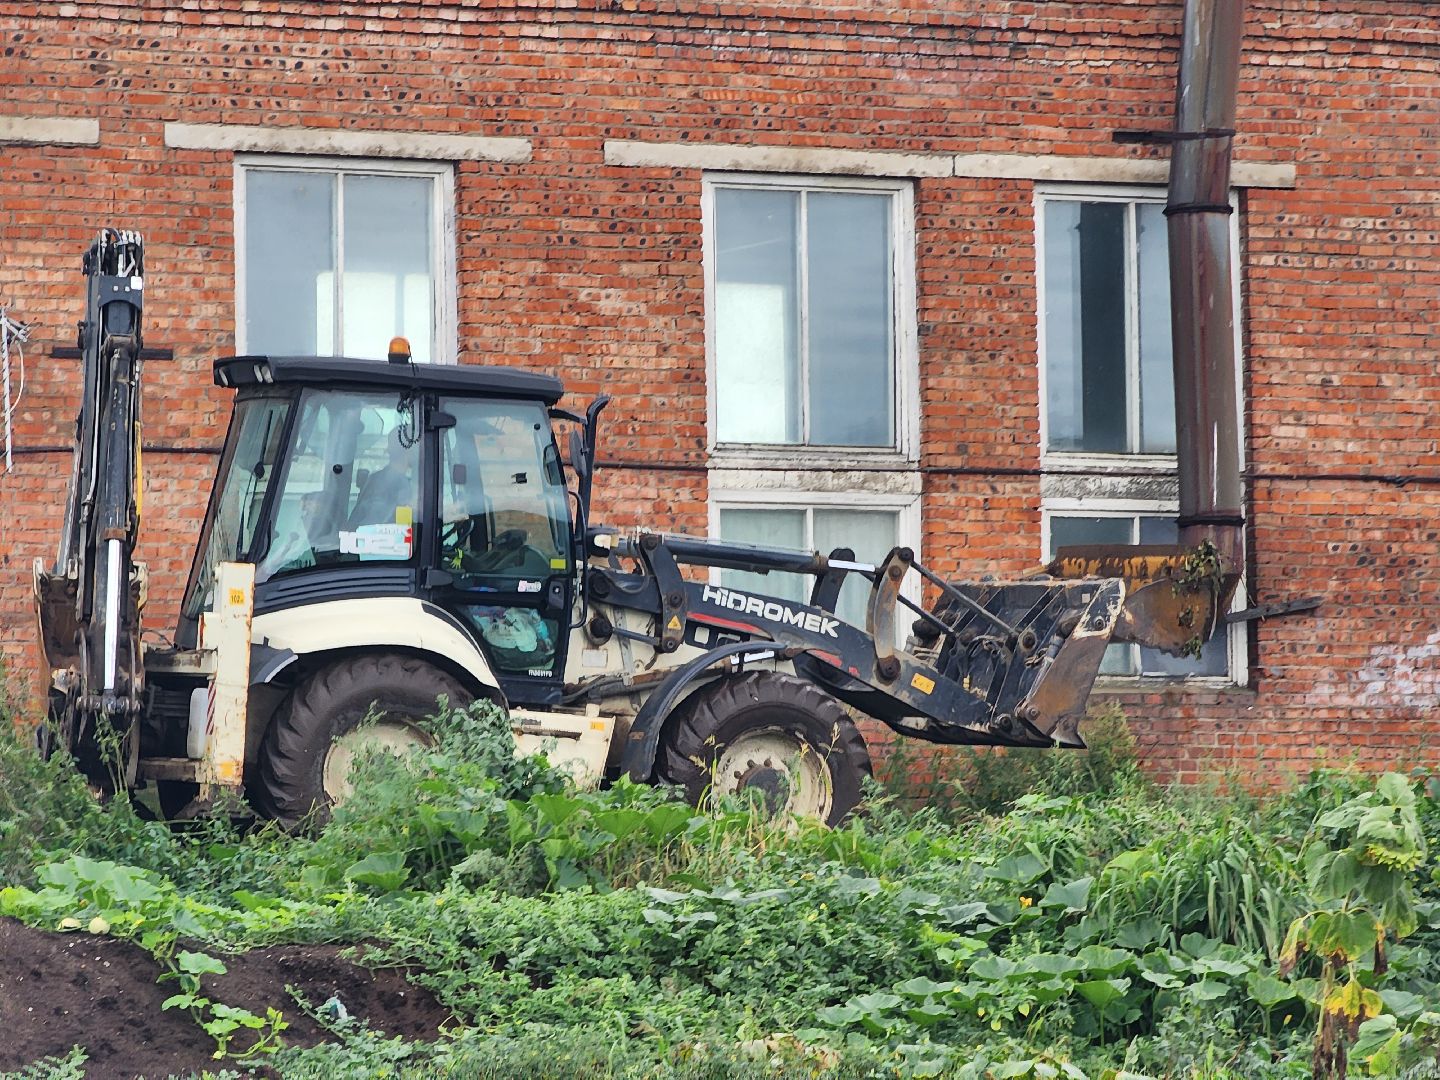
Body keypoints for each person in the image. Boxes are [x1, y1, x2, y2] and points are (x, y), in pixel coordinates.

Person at [349, 431, 417, 528]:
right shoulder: (398, 483)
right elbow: (375, 523)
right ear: (409, 450)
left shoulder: (375, 478)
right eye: (417, 447)